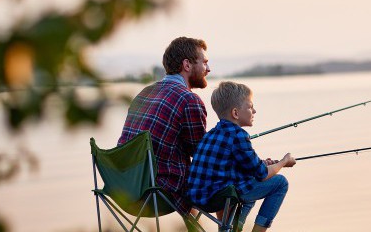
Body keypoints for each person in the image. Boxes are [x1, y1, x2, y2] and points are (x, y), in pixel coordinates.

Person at [117, 36, 210, 215]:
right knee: (225, 180)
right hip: (157, 194)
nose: (208, 69)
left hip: (124, 189)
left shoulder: (145, 93)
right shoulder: (189, 99)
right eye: (204, 63)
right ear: (187, 65)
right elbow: (202, 156)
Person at [187, 81, 296, 232]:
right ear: (236, 113)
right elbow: (262, 174)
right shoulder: (239, 135)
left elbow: (239, 164)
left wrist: (264, 163)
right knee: (280, 183)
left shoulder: (211, 134)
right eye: (250, 107)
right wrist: (283, 162)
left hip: (197, 197)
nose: (254, 111)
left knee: (248, 180)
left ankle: (234, 228)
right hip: (219, 197)